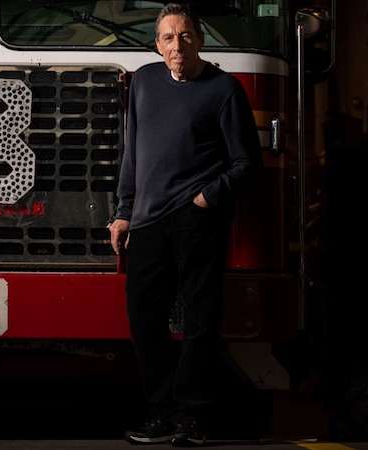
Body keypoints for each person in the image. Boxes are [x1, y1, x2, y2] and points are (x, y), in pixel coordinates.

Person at [108, 3, 262, 447]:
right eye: (168, 38)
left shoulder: (225, 90)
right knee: (144, 318)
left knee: (199, 320)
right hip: (148, 220)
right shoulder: (144, 82)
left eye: (186, 35)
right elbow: (133, 153)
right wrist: (123, 211)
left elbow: (246, 163)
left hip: (197, 220)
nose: (178, 45)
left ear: (201, 39)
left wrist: (205, 197)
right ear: (157, 45)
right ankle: (161, 412)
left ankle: (192, 416)